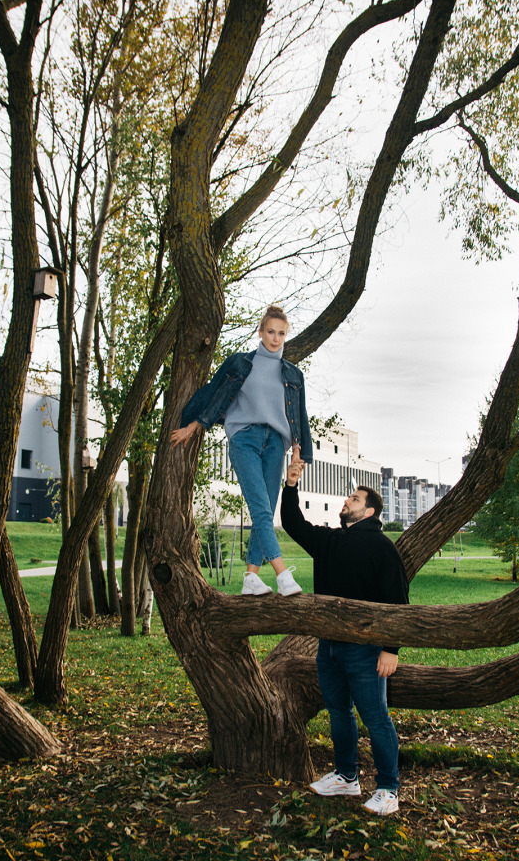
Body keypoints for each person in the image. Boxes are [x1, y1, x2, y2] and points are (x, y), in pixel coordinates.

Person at [281, 456, 409, 815]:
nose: (346, 501)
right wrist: (291, 484)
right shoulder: (329, 541)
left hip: (367, 651)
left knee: (376, 717)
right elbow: (292, 523)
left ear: (368, 512)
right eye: (348, 497)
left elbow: (398, 602)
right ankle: (347, 778)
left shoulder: (383, 548)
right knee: (339, 711)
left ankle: (388, 789)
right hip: (329, 647)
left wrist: (391, 649)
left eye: (354, 499)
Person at [171, 304, 313, 596]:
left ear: (286, 336)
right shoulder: (239, 363)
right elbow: (214, 393)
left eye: (281, 334)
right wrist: (192, 425)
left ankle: (250, 578)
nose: (275, 338)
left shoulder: (293, 374)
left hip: (276, 443)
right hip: (244, 438)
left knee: (267, 510)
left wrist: (298, 450)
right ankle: (282, 575)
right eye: (270, 332)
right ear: (260, 332)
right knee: (260, 508)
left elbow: (298, 415)